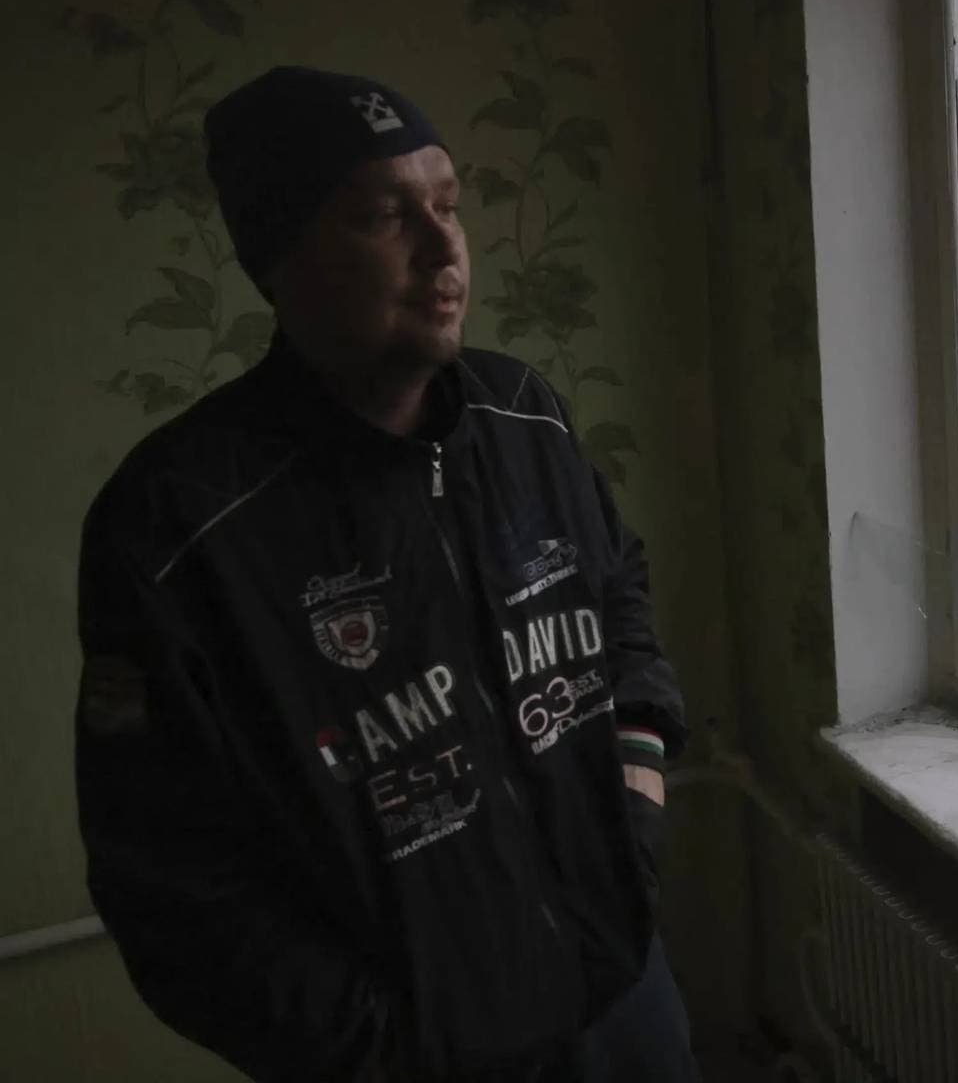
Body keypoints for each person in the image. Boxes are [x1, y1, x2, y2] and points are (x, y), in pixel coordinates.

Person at [73, 67, 698, 1082]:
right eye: (380, 215)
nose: (443, 246)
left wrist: (634, 791)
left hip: (623, 996)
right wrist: (382, 1048)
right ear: (281, 257)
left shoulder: (522, 413)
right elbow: (171, 882)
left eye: (448, 204)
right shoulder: (179, 528)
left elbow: (616, 583)